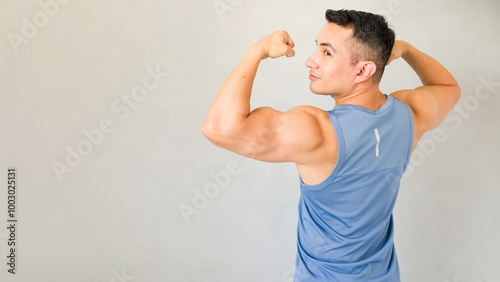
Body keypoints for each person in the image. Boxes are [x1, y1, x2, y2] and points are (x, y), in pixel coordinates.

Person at [201, 9, 460, 281]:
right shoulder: (410, 114)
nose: (311, 61)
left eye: (326, 53)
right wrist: (406, 50)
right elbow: (448, 87)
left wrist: (256, 51)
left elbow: (218, 128)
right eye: (317, 49)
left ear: (363, 70)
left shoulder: (317, 132)